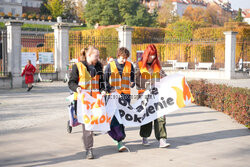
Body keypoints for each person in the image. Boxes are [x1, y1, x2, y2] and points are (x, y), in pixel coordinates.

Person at [68, 46, 105, 159]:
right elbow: (71, 82)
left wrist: (103, 90)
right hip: (82, 101)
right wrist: (77, 88)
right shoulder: (77, 66)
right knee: (87, 125)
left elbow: (102, 83)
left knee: (91, 125)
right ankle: (89, 149)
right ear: (88, 55)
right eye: (96, 56)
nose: (98, 58)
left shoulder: (99, 67)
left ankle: (86, 140)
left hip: (95, 101)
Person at [135, 44, 170, 148]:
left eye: (154, 55)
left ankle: (162, 139)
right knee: (146, 117)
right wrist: (146, 84)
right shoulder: (139, 65)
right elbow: (135, 80)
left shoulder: (157, 66)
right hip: (144, 96)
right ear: (146, 55)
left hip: (158, 96)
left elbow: (165, 77)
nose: (153, 57)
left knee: (161, 117)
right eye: (151, 55)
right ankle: (144, 137)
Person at [104, 47, 135, 152]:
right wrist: (109, 88)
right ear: (118, 56)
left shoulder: (130, 65)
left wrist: (132, 83)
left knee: (122, 117)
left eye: (126, 58)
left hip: (126, 95)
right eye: (122, 58)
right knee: (114, 117)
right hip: (113, 96)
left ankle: (120, 136)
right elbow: (104, 81)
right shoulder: (110, 66)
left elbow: (132, 79)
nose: (124, 60)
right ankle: (119, 139)